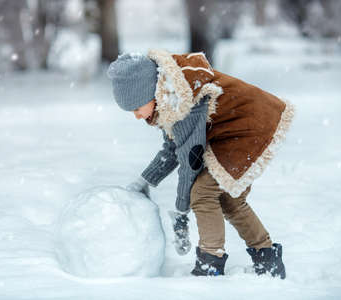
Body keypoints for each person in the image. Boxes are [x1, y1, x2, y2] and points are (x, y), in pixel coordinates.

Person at [107, 50, 294, 278]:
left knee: (203, 192)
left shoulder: (185, 100)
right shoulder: (170, 95)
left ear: (150, 93)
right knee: (229, 198)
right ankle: (267, 259)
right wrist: (145, 180)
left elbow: (191, 159)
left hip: (249, 129)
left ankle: (210, 263)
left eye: (136, 108)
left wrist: (181, 209)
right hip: (240, 128)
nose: (136, 116)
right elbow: (173, 147)